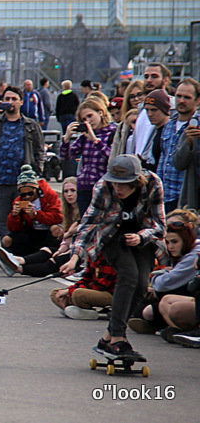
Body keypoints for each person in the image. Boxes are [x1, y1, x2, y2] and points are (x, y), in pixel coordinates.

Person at [60, 154, 167, 360]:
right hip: (111, 235)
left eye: (124, 185)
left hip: (144, 238)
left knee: (141, 284)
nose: (118, 189)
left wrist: (141, 236)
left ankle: (109, 335)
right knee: (128, 275)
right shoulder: (103, 186)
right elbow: (89, 223)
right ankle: (118, 337)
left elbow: (160, 224)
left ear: (136, 181)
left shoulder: (153, 184)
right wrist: (74, 257)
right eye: (115, 183)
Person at [0, 85, 45, 239]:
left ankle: (22, 251)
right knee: (3, 219)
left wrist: (37, 171)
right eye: (7, 99)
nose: (10, 102)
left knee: (24, 217)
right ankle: (8, 250)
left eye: (14, 99)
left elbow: (39, 150)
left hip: (23, 182)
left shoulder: (30, 125)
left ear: (21, 102)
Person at [127, 218, 198, 335]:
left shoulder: (194, 255)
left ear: (185, 241)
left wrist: (161, 275)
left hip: (187, 298)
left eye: (175, 242)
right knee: (141, 303)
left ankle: (175, 330)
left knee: (152, 308)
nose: (170, 247)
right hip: (179, 294)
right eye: (168, 242)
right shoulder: (178, 255)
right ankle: (156, 324)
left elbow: (164, 283)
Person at [0, 165, 63, 274]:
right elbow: (13, 228)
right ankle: (16, 258)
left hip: (47, 232)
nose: (27, 197)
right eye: (23, 194)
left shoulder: (50, 196)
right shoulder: (19, 200)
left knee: (55, 229)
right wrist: (14, 215)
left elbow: (57, 217)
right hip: (31, 232)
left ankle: (19, 261)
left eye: (30, 193)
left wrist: (36, 214)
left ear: (37, 189)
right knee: (7, 240)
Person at [61, 96, 117, 216]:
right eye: (84, 119)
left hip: (104, 187)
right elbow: (67, 156)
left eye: (90, 116)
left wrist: (95, 140)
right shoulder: (84, 136)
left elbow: (112, 159)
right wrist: (66, 140)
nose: (88, 121)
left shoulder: (113, 132)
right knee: (85, 224)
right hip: (84, 186)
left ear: (100, 113)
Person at [157, 78, 199, 213]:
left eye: (187, 97)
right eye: (178, 96)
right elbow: (163, 159)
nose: (181, 100)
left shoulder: (196, 127)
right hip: (165, 195)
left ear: (197, 101)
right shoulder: (169, 124)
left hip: (185, 196)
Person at [108, 80, 145, 164]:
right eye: (132, 96)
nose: (136, 99)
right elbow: (115, 150)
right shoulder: (122, 126)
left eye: (139, 94)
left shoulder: (150, 122)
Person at [138, 89, 171, 172]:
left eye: (154, 110)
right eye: (147, 110)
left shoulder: (169, 132)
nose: (149, 114)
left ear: (164, 109)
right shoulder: (154, 130)